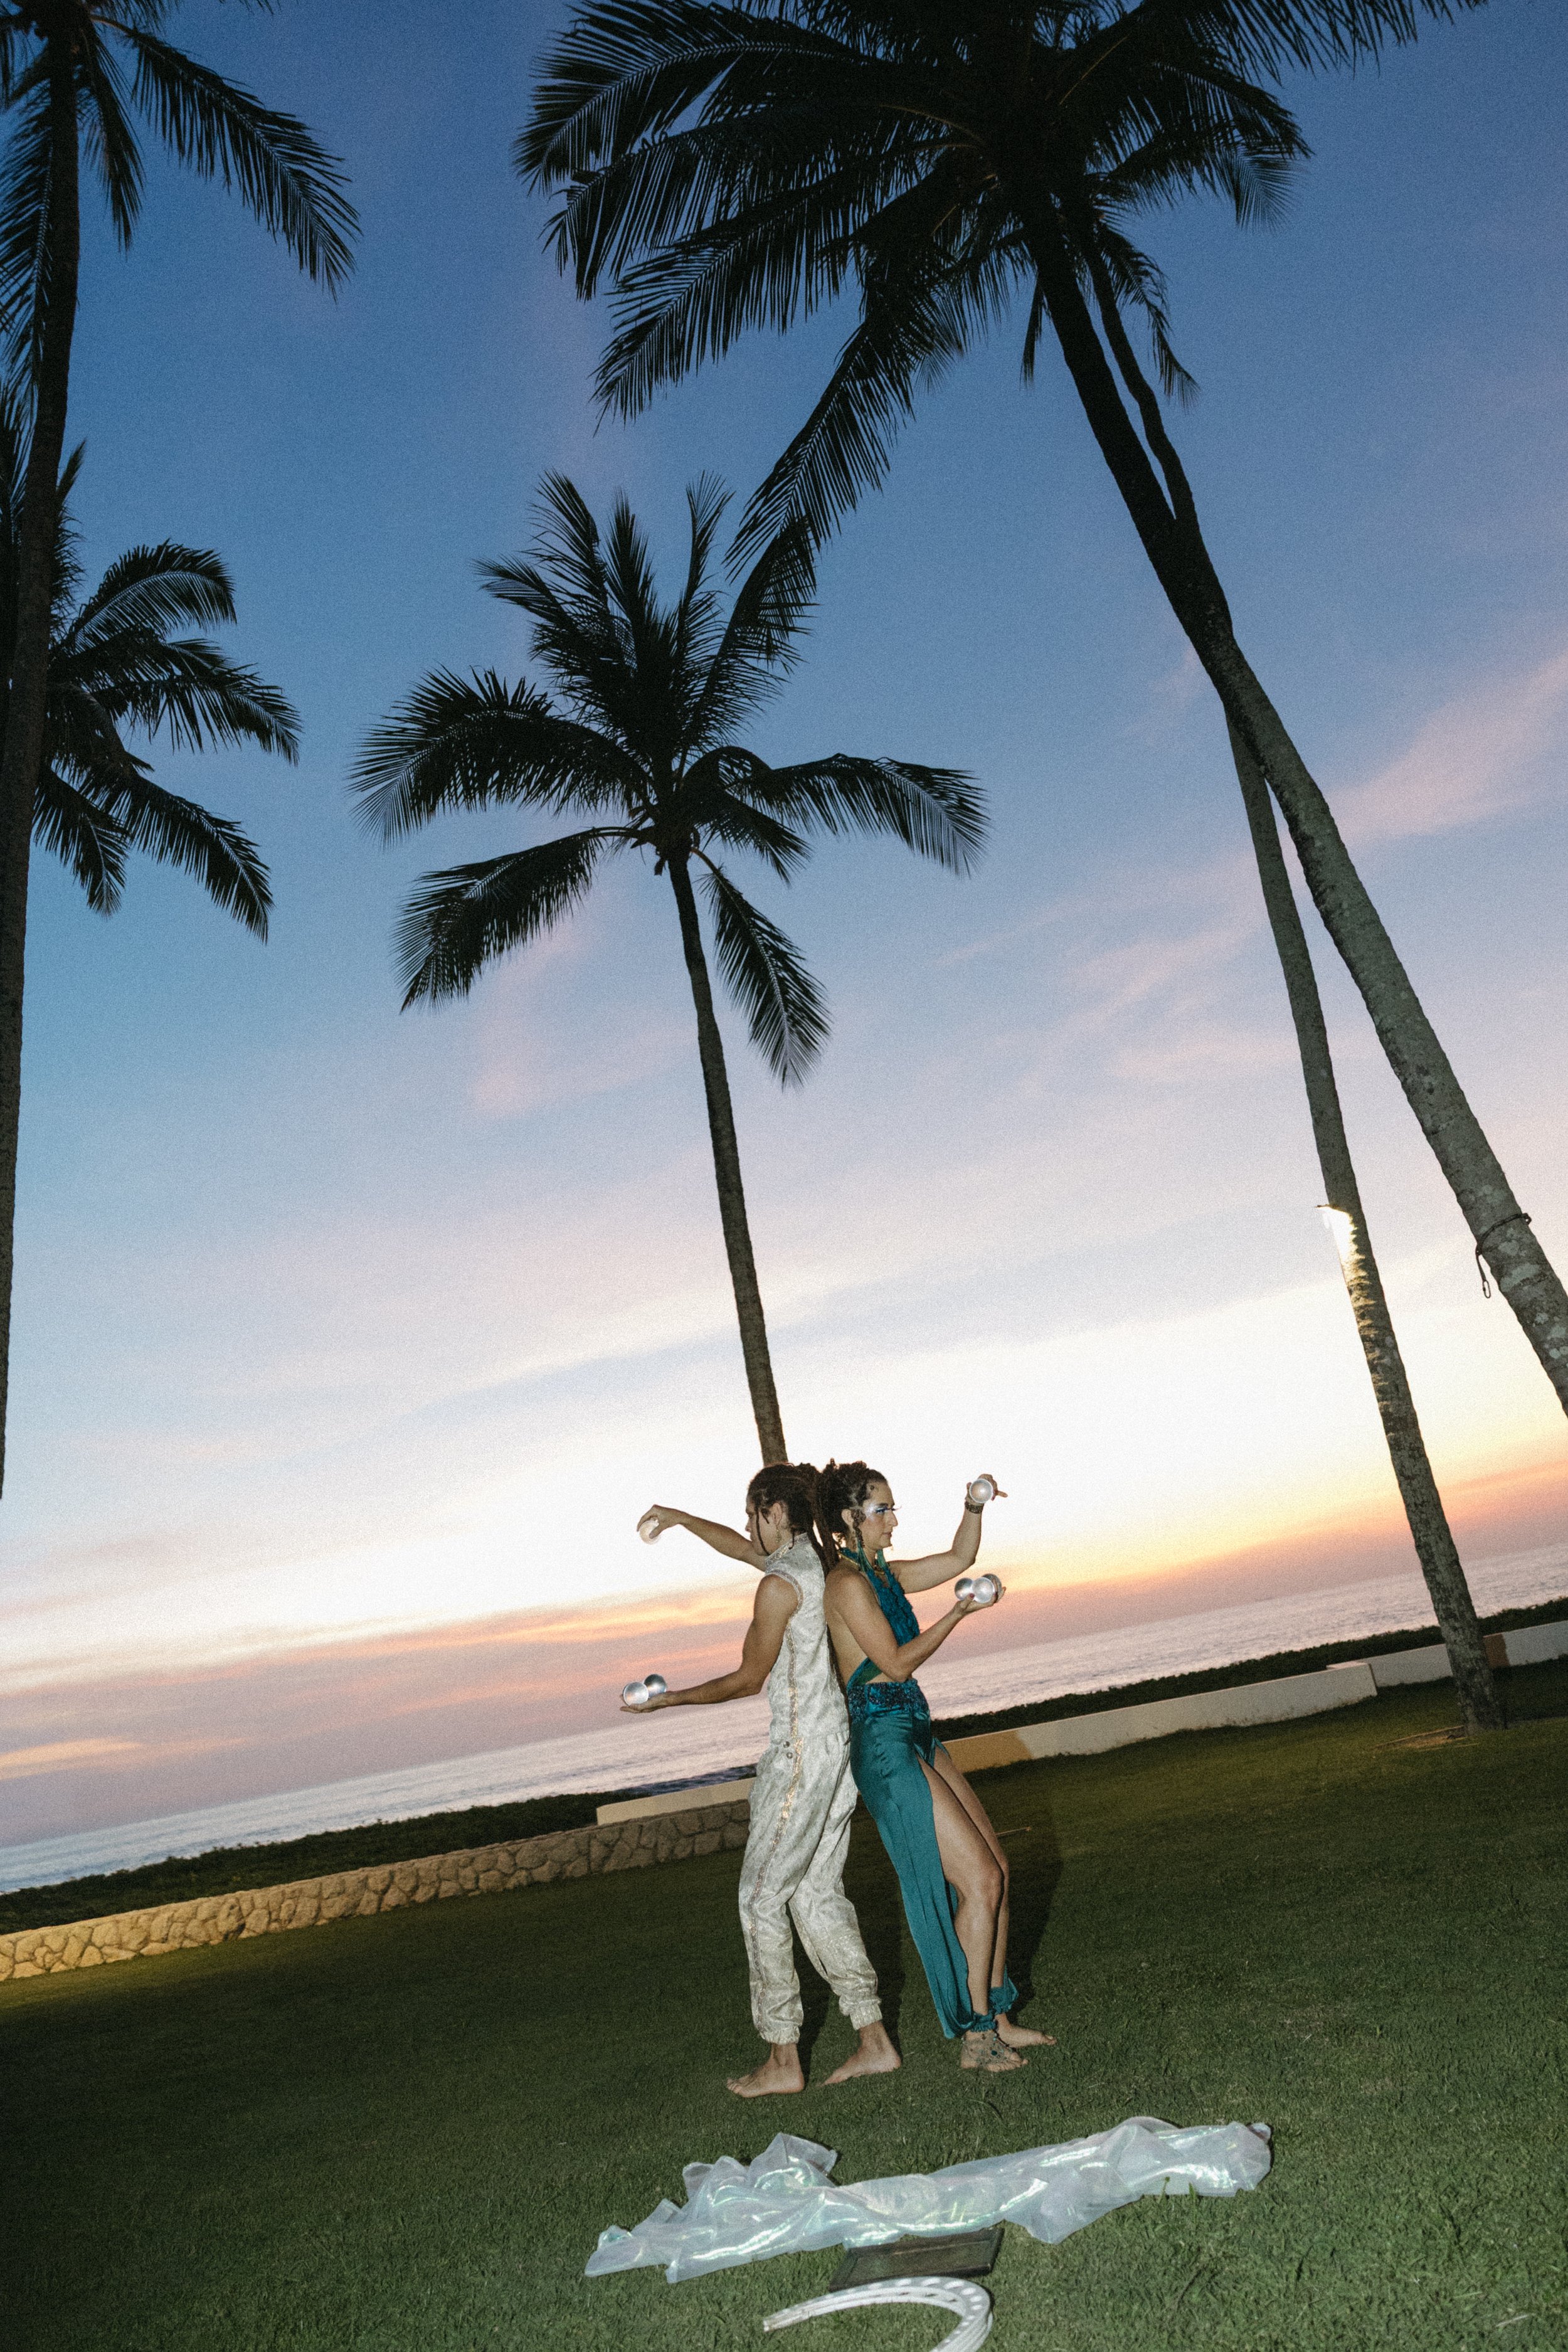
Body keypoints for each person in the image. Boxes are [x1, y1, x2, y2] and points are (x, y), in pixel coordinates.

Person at [631, 1462, 899, 2097]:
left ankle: (782, 2057)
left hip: (802, 1756)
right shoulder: (813, 1562)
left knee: (759, 1900)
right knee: (814, 1895)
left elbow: (747, 1679)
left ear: (774, 1512)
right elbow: (739, 1546)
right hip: (838, 1748)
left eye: (753, 1514)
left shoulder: (780, 1586)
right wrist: (679, 1518)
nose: (749, 1527)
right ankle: (874, 2040)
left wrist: (671, 1699)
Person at [818, 1460, 1054, 2075]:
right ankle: (977, 2037)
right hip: (883, 1744)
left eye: (892, 1508)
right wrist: (956, 1614)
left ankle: (998, 2014)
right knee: (979, 1880)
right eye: (882, 1509)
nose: (894, 1520)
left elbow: (958, 1557)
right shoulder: (845, 1585)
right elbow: (895, 1665)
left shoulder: (887, 1575)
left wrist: (975, 1505)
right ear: (850, 1518)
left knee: (997, 1870)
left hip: (916, 1731)